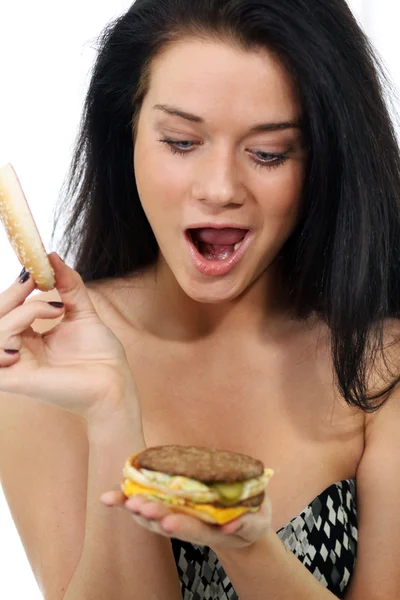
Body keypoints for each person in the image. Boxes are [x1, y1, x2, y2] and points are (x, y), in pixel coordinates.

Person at [1, 0, 400, 598]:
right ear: (126, 135)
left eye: (268, 153)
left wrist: (244, 542)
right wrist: (112, 411)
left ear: (323, 162)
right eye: (182, 142)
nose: (220, 189)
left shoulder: (381, 364)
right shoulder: (48, 358)